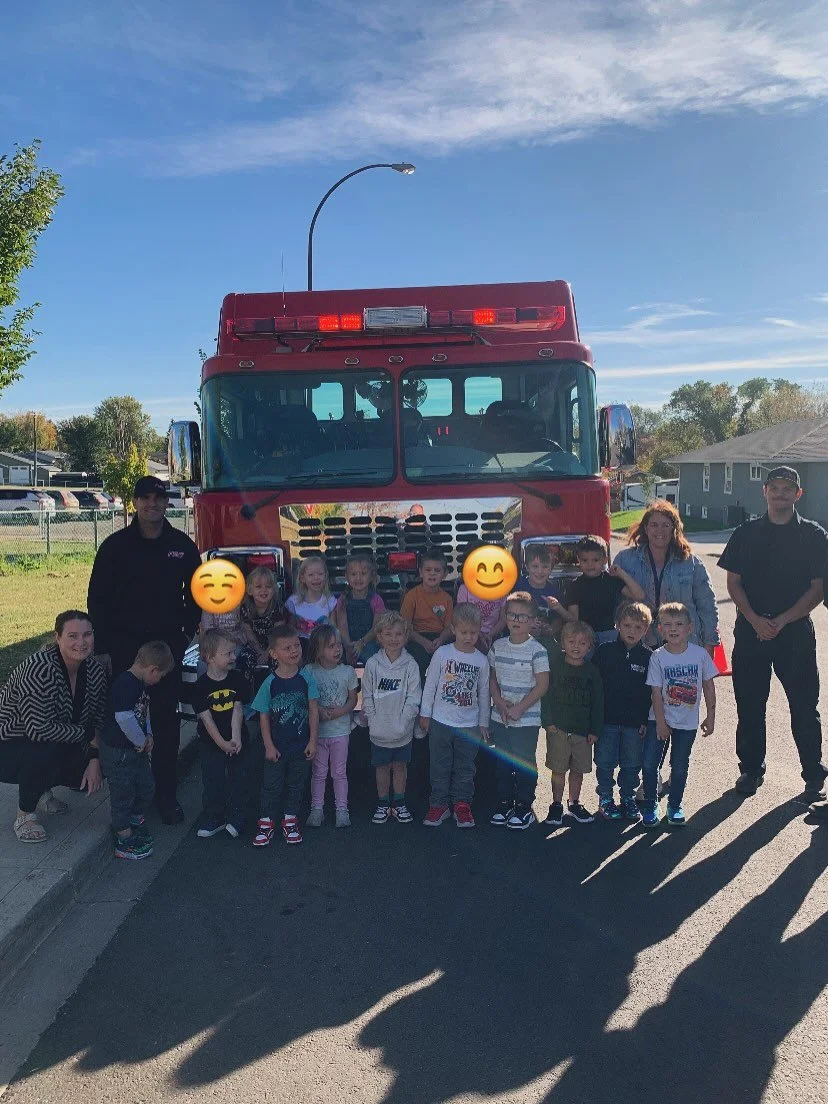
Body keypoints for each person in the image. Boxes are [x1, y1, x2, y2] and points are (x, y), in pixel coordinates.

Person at [87, 476, 202, 824]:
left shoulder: (182, 546)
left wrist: (184, 637)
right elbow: (98, 600)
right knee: (126, 724)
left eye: (158, 498)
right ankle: (132, 796)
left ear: (167, 503)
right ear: (135, 503)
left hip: (167, 650)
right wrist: (103, 648)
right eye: (145, 498)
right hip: (123, 650)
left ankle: (165, 796)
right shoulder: (114, 547)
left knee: (166, 727)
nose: (152, 504)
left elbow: (197, 594)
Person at [718, 466, 828, 800]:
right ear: (764, 491)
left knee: (804, 706)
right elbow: (733, 581)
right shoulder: (746, 533)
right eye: (774, 488)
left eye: (787, 489)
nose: (780, 494)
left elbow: (818, 588)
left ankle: (813, 775)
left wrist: (783, 620)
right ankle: (750, 771)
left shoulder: (813, 535)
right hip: (751, 633)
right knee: (750, 706)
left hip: (794, 633)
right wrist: (753, 619)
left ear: (798, 494)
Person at [0, 611, 107, 843]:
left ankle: (41, 790)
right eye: (72, 636)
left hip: (53, 738)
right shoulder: (39, 669)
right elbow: (37, 729)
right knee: (44, 750)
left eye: (87, 635)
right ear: (57, 637)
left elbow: (98, 718)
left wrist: (95, 758)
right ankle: (25, 814)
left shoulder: (96, 670)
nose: (81, 642)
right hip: (9, 743)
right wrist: (87, 735)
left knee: (108, 751)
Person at [642, 602, 717, 828]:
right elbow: (655, 693)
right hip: (659, 720)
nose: (673, 629)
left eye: (679, 624)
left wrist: (711, 715)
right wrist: (661, 723)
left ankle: (674, 805)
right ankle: (650, 805)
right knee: (649, 765)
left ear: (689, 628)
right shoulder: (657, 657)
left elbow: (709, 685)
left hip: (687, 722)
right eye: (667, 624)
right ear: (660, 629)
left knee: (680, 766)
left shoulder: (700, 655)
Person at [99, 641, 174, 860]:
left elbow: (144, 711)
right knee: (123, 793)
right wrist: (141, 740)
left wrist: (148, 734)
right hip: (119, 752)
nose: (159, 681)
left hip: (136, 748)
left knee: (146, 785)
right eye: (160, 676)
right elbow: (124, 718)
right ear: (153, 670)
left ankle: (135, 818)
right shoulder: (125, 684)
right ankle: (124, 838)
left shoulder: (141, 685)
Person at [612, 501, 719, 653]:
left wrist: (709, 645)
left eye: (665, 525)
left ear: (674, 529)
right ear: (646, 528)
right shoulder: (625, 560)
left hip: (683, 643)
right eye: (654, 525)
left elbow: (707, 607)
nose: (659, 530)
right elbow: (614, 603)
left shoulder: (691, 563)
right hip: (639, 644)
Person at [419, 604, 490, 828]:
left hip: (469, 723)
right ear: (453, 629)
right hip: (441, 720)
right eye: (463, 632)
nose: (469, 637)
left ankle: (462, 805)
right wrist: (425, 714)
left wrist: (483, 723)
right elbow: (430, 685)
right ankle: (439, 805)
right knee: (439, 764)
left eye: (473, 632)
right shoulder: (443, 653)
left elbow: (484, 692)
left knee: (465, 766)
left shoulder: (481, 660)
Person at [250, 625, 319, 846]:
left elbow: (313, 711)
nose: (294, 651)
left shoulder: (306, 678)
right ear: (274, 653)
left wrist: (313, 741)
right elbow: (263, 716)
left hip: (300, 745)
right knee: (271, 785)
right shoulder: (270, 683)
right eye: (287, 647)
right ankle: (266, 822)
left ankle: (290, 820)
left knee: (296, 784)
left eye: (297, 645)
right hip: (277, 746)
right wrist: (268, 746)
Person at [488, 591, 550, 830]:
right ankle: (505, 804)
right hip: (500, 716)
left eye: (523, 617)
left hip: (526, 719)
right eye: (512, 615)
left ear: (533, 620)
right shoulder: (498, 646)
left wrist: (520, 708)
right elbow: (492, 679)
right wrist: (499, 702)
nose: (516, 620)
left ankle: (524, 806)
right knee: (503, 762)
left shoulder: (537, 650)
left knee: (524, 762)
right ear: (505, 617)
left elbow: (542, 684)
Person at [592, 602, 653, 823]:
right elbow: (595, 687)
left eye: (638, 627)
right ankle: (605, 798)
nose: (631, 631)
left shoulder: (649, 657)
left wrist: (645, 720)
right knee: (605, 761)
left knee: (631, 763)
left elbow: (651, 693)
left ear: (646, 629)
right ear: (617, 625)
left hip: (634, 724)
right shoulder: (604, 651)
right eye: (627, 625)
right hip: (607, 721)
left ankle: (627, 798)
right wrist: (593, 719)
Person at [361, 611, 421, 825]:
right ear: (379, 636)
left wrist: (404, 722)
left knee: (400, 767)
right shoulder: (373, 664)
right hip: (379, 730)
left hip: (402, 731)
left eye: (398, 634)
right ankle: (383, 804)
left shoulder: (411, 665)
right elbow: (367, 694)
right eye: (388, 634)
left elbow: (414, 698)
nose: (393, 639)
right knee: (382, 768)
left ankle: (400, 803)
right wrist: (374, 721)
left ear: (406, 637)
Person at [541, 621, 603, 827]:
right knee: (558, 769)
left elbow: (598, 703)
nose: (576, 646)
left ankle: (574, 802)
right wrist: (547, 721)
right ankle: (556, 804)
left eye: (582, 643)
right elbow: (545, 695)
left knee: (578, 770)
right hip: (558, 729)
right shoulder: (555, 666)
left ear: (589, 646)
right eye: (571, 641)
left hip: (583, 733)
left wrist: (595, 730)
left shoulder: (592, 672)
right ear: (563, 644)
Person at [191, 629, 251, 840]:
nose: (233, 657)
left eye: (233, 652)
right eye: (227, 653)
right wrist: (221, 744)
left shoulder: (237, 679)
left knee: (239, 778)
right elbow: (206, 719)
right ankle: (214, 817)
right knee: (213, 780)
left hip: (237, 739)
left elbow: (238, 708)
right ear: (209, 657)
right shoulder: (200, 687)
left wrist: (235, 739)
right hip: (210, 742)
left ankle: (238, 817)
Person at [304, 624, 358, 829]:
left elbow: (353, 700)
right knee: (318, 772)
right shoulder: (309, 671)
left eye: (338, 645)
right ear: (318, 651)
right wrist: (318, 711)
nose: (337, 650)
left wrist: (339, 712)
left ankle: (341, 809)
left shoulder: (347, 672)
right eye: (330, 646)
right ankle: (316, 809)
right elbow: (306, 697)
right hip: (318, 733)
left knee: (339, 771)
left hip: (340, 731)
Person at [564, 535, 646, 646]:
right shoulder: (574, 585)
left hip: (609, 633)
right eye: (585, 560)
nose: (590, 564)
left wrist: (621, 574)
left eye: (595, 560)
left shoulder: (611, 580)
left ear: (605, 559)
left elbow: (639, 595)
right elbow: (574, 619)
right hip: (584, 636)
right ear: (578, 560)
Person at [400, 549, 455, 677]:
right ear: (420, 572)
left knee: (447, 664)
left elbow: (449, 627)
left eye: (437, 570)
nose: (432, 574)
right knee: (418, 661)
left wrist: (441, 640)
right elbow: (405, 626)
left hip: (439, 638)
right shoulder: (412, 596)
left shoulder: (447, 599)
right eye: (428, 570)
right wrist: (423, 642)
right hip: (417, 638)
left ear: (445, 574)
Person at [236, 565, 286, 689]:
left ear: (274, 589)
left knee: (279, 661)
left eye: (268, 587)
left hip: (273, 645)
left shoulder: (276, 608)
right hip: (253, 644)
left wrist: (267, 652)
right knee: (244, 659)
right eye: (258, 587)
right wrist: (259, 651)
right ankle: (246, 697)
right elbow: (248, 632)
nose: (264, 590)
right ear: (249, 590)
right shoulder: (245, 608)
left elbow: (278, 633)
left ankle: (277, 692)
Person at [332, 553, 385, 665]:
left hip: (369, 641)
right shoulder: (343, 599)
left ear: (371, 576)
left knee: (372, 657)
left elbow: (377, 627)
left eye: (363, 574)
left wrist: (362, 642)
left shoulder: (376, 600)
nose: (358, 578)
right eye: (353, 574)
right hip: (348, 642)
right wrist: (347, 647)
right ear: (346, 576)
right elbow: (342, 626)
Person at [455, 542, 507, 653]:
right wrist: (478, 635)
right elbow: (462, 618)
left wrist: (490, 635)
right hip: (470, 636)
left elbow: (503, 619)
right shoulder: (464, 590)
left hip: (495, 635)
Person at [285, 555, 337, 650]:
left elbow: (333, 628)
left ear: (325, 576)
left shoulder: (330, 601)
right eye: (311, 575)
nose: (316, 578)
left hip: (323, 644)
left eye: (320, 574)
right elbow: (290, 629)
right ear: (302, 578)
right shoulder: (294, 602)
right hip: (301, 645)